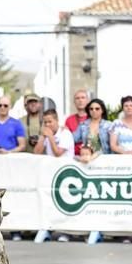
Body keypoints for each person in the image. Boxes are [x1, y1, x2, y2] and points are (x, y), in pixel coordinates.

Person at [33, 108, 74, 243]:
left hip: (66, 172)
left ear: (56, 121)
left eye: (50, 121)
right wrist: (42, 137)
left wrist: (50, 137)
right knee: (50, 201)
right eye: (45, 122)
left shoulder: (65, 134)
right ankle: (48, 228)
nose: (48, 125)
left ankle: (66, 231)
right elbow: (37, 152)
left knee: (65, 201)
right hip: (51, 173)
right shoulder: (46, 133)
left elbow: (58, 153)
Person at [65, 89, 89, 155]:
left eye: (83, 98)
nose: (80, 100)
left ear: (87, 101)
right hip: (74, 157)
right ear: (74, 102)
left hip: (90, 156)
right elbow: (66, 140)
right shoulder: (69, 120)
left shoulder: (92, 118)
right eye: (77, 98)